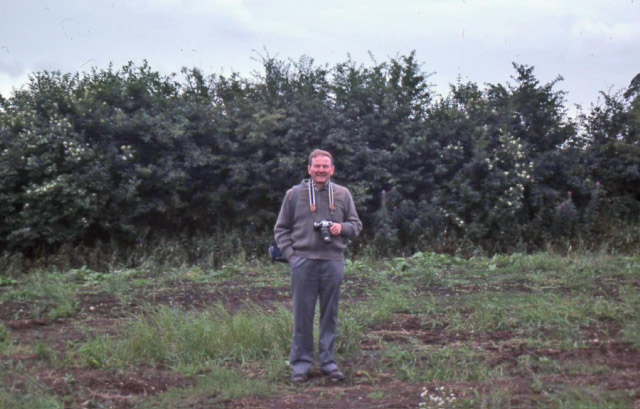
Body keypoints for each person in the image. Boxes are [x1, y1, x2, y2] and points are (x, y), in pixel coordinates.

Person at [274, 149, 362, 383]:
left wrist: (340, 228)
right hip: (303, 262)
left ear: (332, 170)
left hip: (333, 261)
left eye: (326, 167)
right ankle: (300, 365)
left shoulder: (342, 194)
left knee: (329, 314)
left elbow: (356, 225)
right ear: (309, 169)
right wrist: (291, 255)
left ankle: (328, 363)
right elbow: (281, 229)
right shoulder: (294, 194)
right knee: (302, 315)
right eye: (317, 166)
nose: (321, 170)